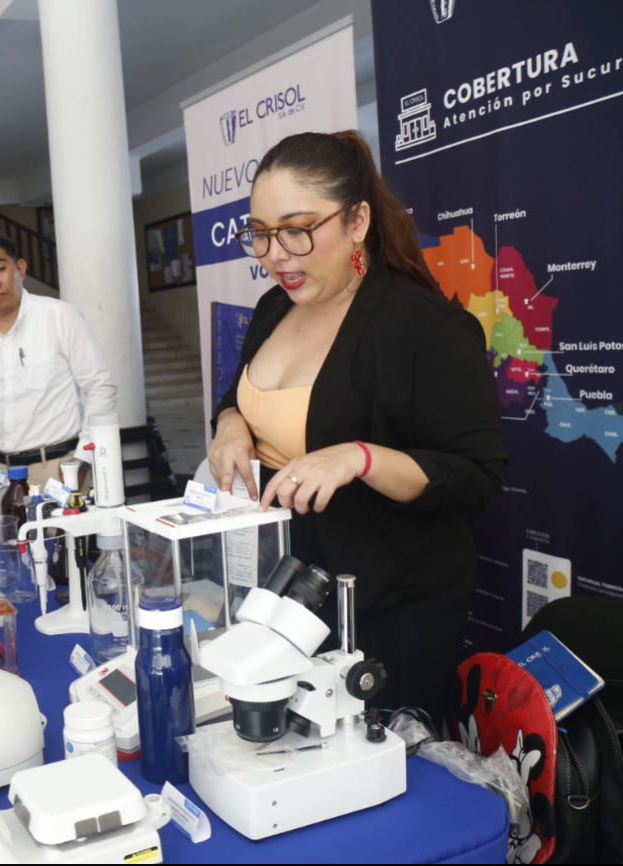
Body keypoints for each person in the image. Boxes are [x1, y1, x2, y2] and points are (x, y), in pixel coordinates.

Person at [206, 131, 507, 725]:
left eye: (297, 230)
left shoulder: (425, 328)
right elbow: (240, 393)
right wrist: (229, 424)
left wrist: (361, 457)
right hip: (286, 594)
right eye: (261, 234)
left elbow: (478, 477)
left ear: (357, 221)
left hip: (388, 607)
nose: (275, 255)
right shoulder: (275, 306)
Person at [0, 228, 118, 489]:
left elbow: (101, 388)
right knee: (7, 532)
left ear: (20, 269)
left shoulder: (59, 316)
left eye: (0, 269)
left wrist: (82, 463)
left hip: (56, 467)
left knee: (64, 532)